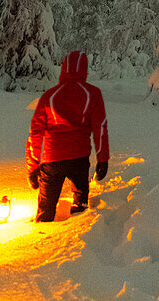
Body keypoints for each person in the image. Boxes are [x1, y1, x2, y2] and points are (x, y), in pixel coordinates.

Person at [26, 49, 110, 222]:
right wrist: (102, 159)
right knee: (80, 207)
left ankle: (42, 235)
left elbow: (35, 133)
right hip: (79, 159)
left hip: (52, 160)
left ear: (64, 68)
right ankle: (82, 235)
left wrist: (33, 166)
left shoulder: (50, 96)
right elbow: (99, 128)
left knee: (45, 209)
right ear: (85, 70)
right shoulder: (92, 93)